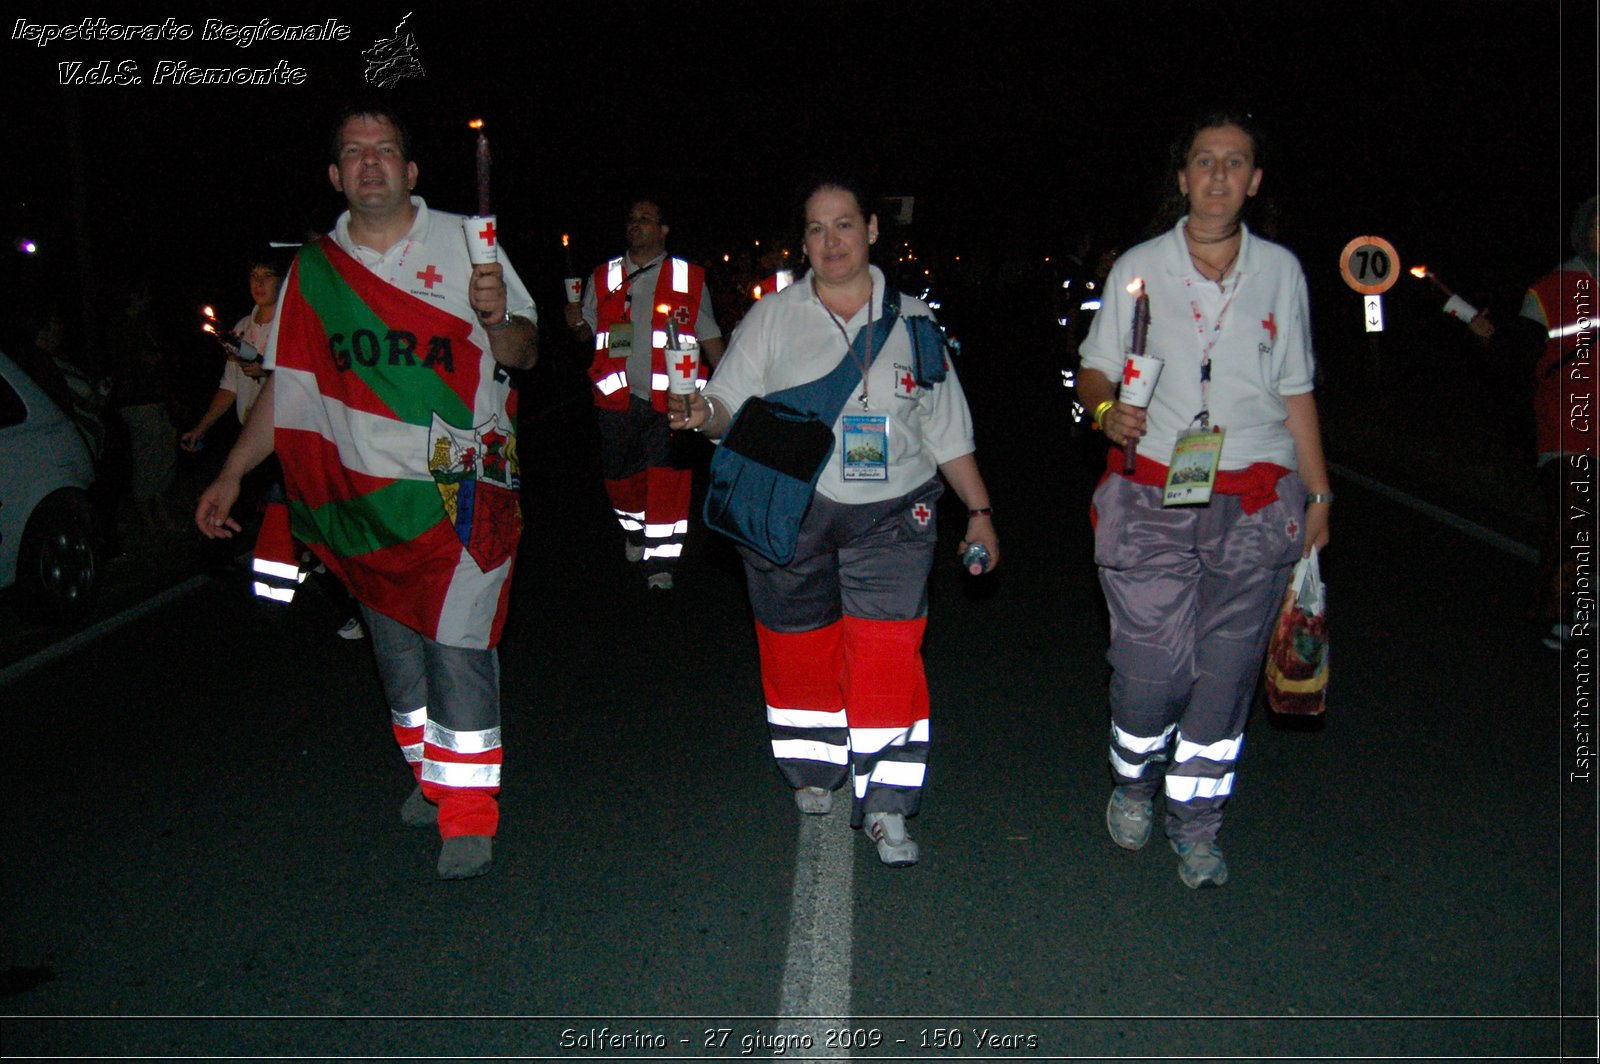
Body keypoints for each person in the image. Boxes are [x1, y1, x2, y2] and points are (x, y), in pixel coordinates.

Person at [195, 104, 539, 880]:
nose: (371, 163)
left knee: (458, 649)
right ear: (335, 175)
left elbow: (525, 350)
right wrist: (230, 472)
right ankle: (431, 774)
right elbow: (289, 390)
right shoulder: (314, 272)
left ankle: (469, 813)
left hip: (463, 484)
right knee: (400, 660)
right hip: (362, 498)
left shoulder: (467, 242)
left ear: (412, 171)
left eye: (385, 150)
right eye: (354, 153)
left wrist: (495, 316)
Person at [672, 177, 999, 867]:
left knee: (886, 657)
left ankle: (886, 804)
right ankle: (814, 769)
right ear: (804, 241)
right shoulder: (773, 317)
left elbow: (947, 431)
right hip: (792, 510)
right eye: (817, 229)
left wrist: (979, 511)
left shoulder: (914, 322)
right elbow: (727, 399)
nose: (832, 241)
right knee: (798, 651)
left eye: (844, 224)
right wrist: (705, 415)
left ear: (873, 230)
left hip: (895, 514)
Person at [1077, 111, 1332, 889]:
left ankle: (1198, 826)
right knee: (1151, 668)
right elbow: (1093, 371)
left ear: (1254, 182)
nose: (1218, 176)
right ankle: (1132, 780)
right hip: (1153, 491)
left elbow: (1296, 389)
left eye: (1235, 163)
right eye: (1204, 162)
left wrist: (1320, 494)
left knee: (1225, 674)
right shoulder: (1139, 270)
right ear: (1183, 177)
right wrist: (1103, 411)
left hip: (1258, 496)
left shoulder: (1282, 272)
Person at [564, 199, 725, 590]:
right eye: (631, 218)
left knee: (667, 478)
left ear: (664, 229)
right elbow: (586, 332)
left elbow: (710, 336)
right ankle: (635, 530)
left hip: (672, 401)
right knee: (620, 478)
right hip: (615, 398)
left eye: (646, 218)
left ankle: (661, 562)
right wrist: (574, 323)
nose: (636, 224)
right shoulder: (603, 275)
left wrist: (728, 389)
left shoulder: (689, 277)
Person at [1509, 195, 1598, 647]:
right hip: (1568, 427)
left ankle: (1580, 602)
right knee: (1573, 522)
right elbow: (1521, 359)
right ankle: (1561, 614)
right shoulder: (1551, 288)